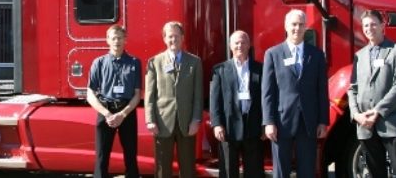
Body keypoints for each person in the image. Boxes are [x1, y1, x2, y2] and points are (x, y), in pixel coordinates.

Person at [262, 9, 328, 178]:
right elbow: (268, 92)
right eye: (293, 24)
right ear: (286, 26)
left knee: (307, 170)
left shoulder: (317, 55)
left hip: (308, 121)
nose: (297, 28)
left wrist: (323, 121)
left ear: (306, 27)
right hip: (281, 121)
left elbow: (322, 90)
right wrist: (269, 122)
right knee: (281, 171)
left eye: (301, 25)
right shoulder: (273, 54)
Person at [348, 9, 396, 178]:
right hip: (365, 126)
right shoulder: (359, 56)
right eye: (366, 25)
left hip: (391, 123)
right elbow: (352, 88)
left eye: (373, 24)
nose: (370, 28)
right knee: (375, 172)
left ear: (382, 26)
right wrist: (356, 115)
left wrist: (378, 111)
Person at [145, 21, 203, 178]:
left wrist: (196, 120)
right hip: (162, 122)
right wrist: (150, 120)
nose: (173, 39)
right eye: (170, 36)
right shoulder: (154, 62)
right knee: (162, 169)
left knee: (188, 168)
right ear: (164, 38)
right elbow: (149, 95)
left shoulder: (195, 62)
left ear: (182, 38)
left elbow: (198, 95)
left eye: (177, 36)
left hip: (187, 123)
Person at [86, 24, 142, 178]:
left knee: (131, 156)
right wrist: (107, 113)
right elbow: (90, 93)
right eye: (113, 38)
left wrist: (122, 114)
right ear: (107, 41)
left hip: (127, 111)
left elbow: (137, 94)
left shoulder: (134, 63)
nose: (117, 41)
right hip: (106, 110)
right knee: (101, 156)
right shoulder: (98, 63)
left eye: (120, 38)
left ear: (125, 40)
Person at [209, 30, 264, 178]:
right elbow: (215, 100)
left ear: (249, 45)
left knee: (254, 172)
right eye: (236, 43)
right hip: (228, 127)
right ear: (230, 46)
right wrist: (216, 124)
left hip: (253, 126)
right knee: (228, 171)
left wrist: (265, 124)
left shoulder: (261, 69)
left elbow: (266, 99)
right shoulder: (219, 70)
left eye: (243, 42)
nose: (240, 45)